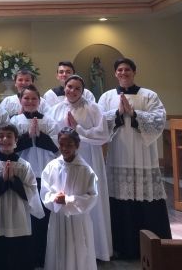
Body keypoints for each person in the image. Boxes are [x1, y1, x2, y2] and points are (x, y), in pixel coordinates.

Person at [98, 58, 171, 259]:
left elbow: (159, 119)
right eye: (120, 70)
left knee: (145, 199)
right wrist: (118, 114)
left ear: (134, 72)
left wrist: (134, 114)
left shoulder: (148, 95)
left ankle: (154, 248)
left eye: (127, 69)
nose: (123, 73)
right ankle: (123, 247)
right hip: (118, 153)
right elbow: (99, 121)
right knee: (119, 199)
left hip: (143, 156)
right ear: (115, 73)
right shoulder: (106, 97)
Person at [48, 75, 112, 261]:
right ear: (64, 87)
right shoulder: (55, 109)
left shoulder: (93, 108)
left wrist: (78, 130)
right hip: (63, 163)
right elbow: (51, 134)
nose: (72, 91)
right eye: (70, 87)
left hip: (88, 159)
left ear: (83, 91)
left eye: (77, 88)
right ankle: (67, 250)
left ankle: (96, 250)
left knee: (89, 199)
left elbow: (103, 134)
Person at [0, 124, 44, 270]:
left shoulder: (24, 165)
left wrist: (14, 181)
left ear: (16, 140)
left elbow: (32, 190)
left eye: (9, 136)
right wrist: (3, 180)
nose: (5, 139)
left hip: (19, 217)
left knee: (19, 257)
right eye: (1, 136)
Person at [10, 84, 59, 267]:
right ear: (20, 100)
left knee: (43, 217)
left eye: (34, 99)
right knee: (24, 215)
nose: (30, 101)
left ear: (39, 101)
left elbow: (56, 148)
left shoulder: (49, 121)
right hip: (23, 174)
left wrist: (39, 137)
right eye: (26, 98)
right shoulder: (14, 121)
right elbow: (9, 146)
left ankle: (42, 256)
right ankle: (25, 258)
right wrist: (27, 137)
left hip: (44, 174)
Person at [40, 127, 98, 270]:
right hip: (58, 217)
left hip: (78, 220)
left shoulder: (86, 170)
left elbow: (92, 196)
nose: (65, 148)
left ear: (77, 145)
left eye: (69, 145)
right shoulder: (52, 167)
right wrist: (54, 198)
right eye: (61, 144)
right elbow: (45, 191)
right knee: (58, 250)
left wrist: (68, 200)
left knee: (79, 251)